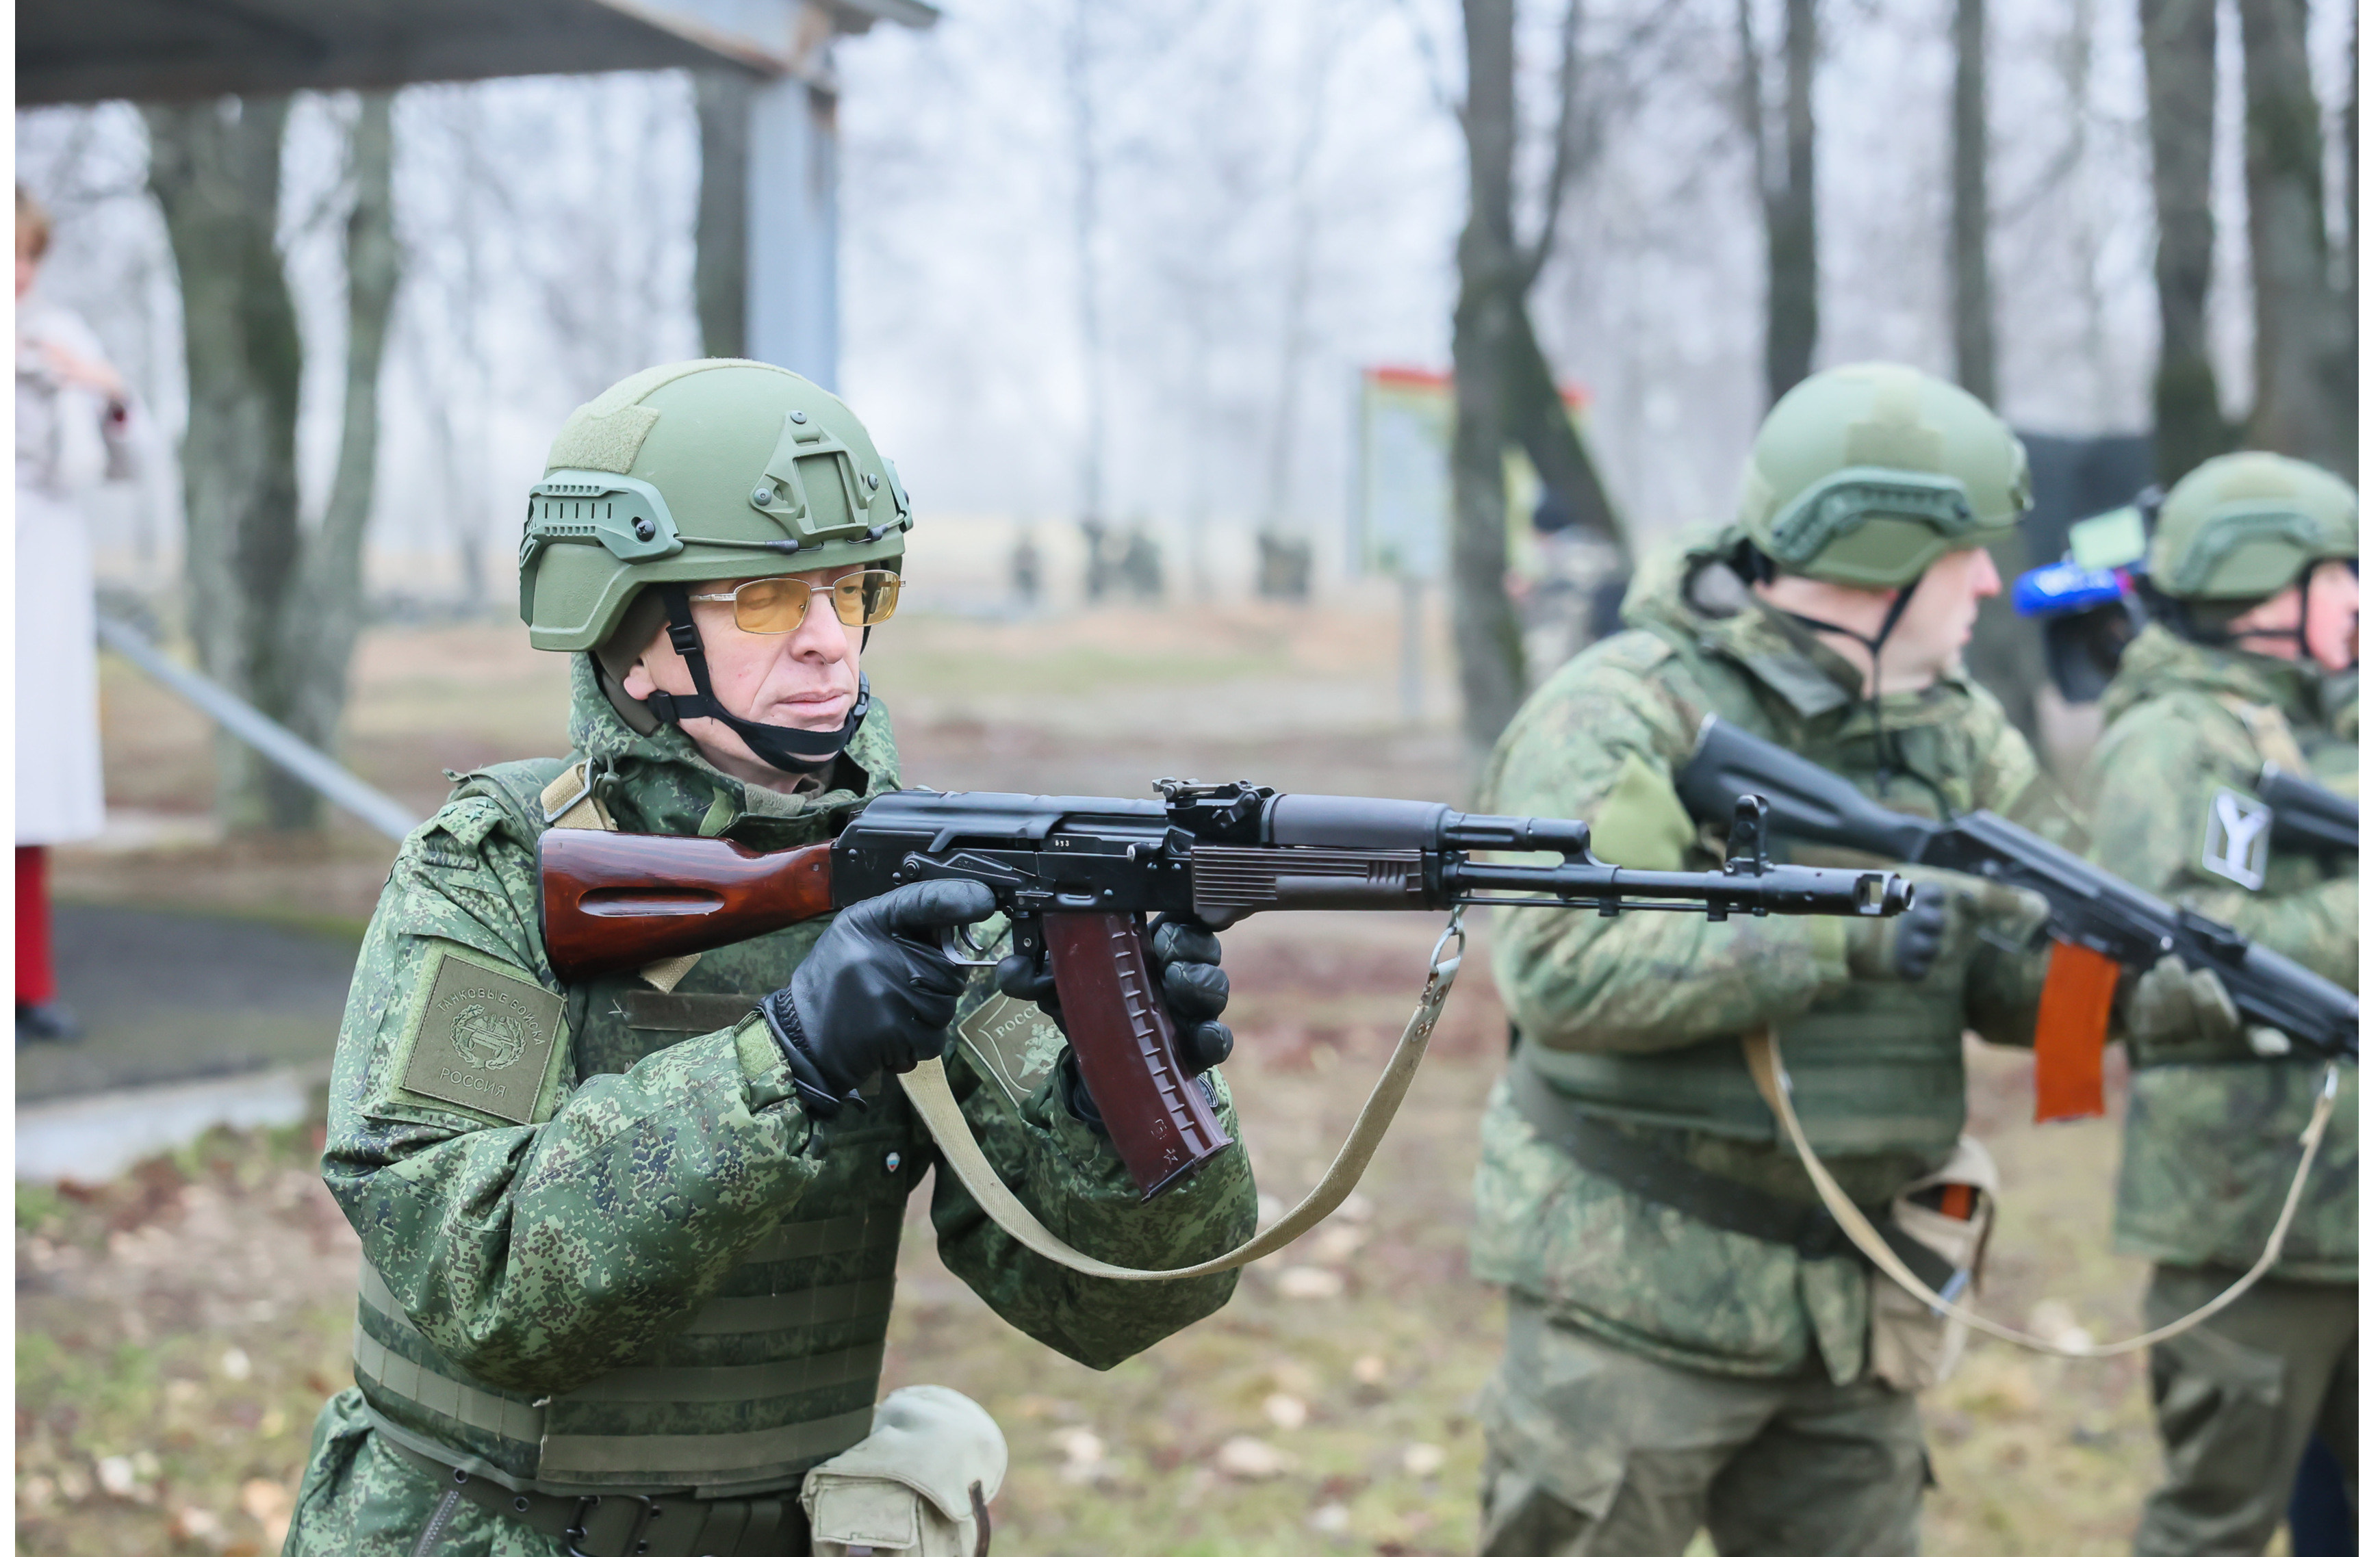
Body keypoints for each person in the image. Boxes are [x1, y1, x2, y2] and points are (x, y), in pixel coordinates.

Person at [282, 359, 1257, 1556]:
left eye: (849, 593)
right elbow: (474, 1278)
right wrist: (785, 1062)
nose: (825, 645)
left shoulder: (931, 885)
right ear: (631, 635)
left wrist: (1122, 1095)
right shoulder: (490, 874)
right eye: (762, 601)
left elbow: (1111, 1304)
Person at [1469, 362, 2067, 1557]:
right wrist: (1834, 935)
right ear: (1882, 555)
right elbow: (1560, 964)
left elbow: (2024, 992)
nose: (1993, 584)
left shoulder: (1959, 735)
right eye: (1969, 554)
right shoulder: (1622, 712)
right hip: (1631, 1307)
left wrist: (2168, 996)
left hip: (1852, 1316)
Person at [2080, 451, 2358, 1557]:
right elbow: (2171, 961)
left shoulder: (2313, 724)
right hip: (2252, 1219)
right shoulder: (2169, 745)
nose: (2356, 598)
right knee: (2216, 1527)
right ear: (2264, 589)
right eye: (2337, 575)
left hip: (2339, 1203)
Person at [15, 183, 138, 1045]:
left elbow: (123, 461)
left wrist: (108, 393)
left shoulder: (63, 340)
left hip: (41, 578)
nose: (19, 273)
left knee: (30, 796)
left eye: (28, 254)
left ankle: (31, 983)